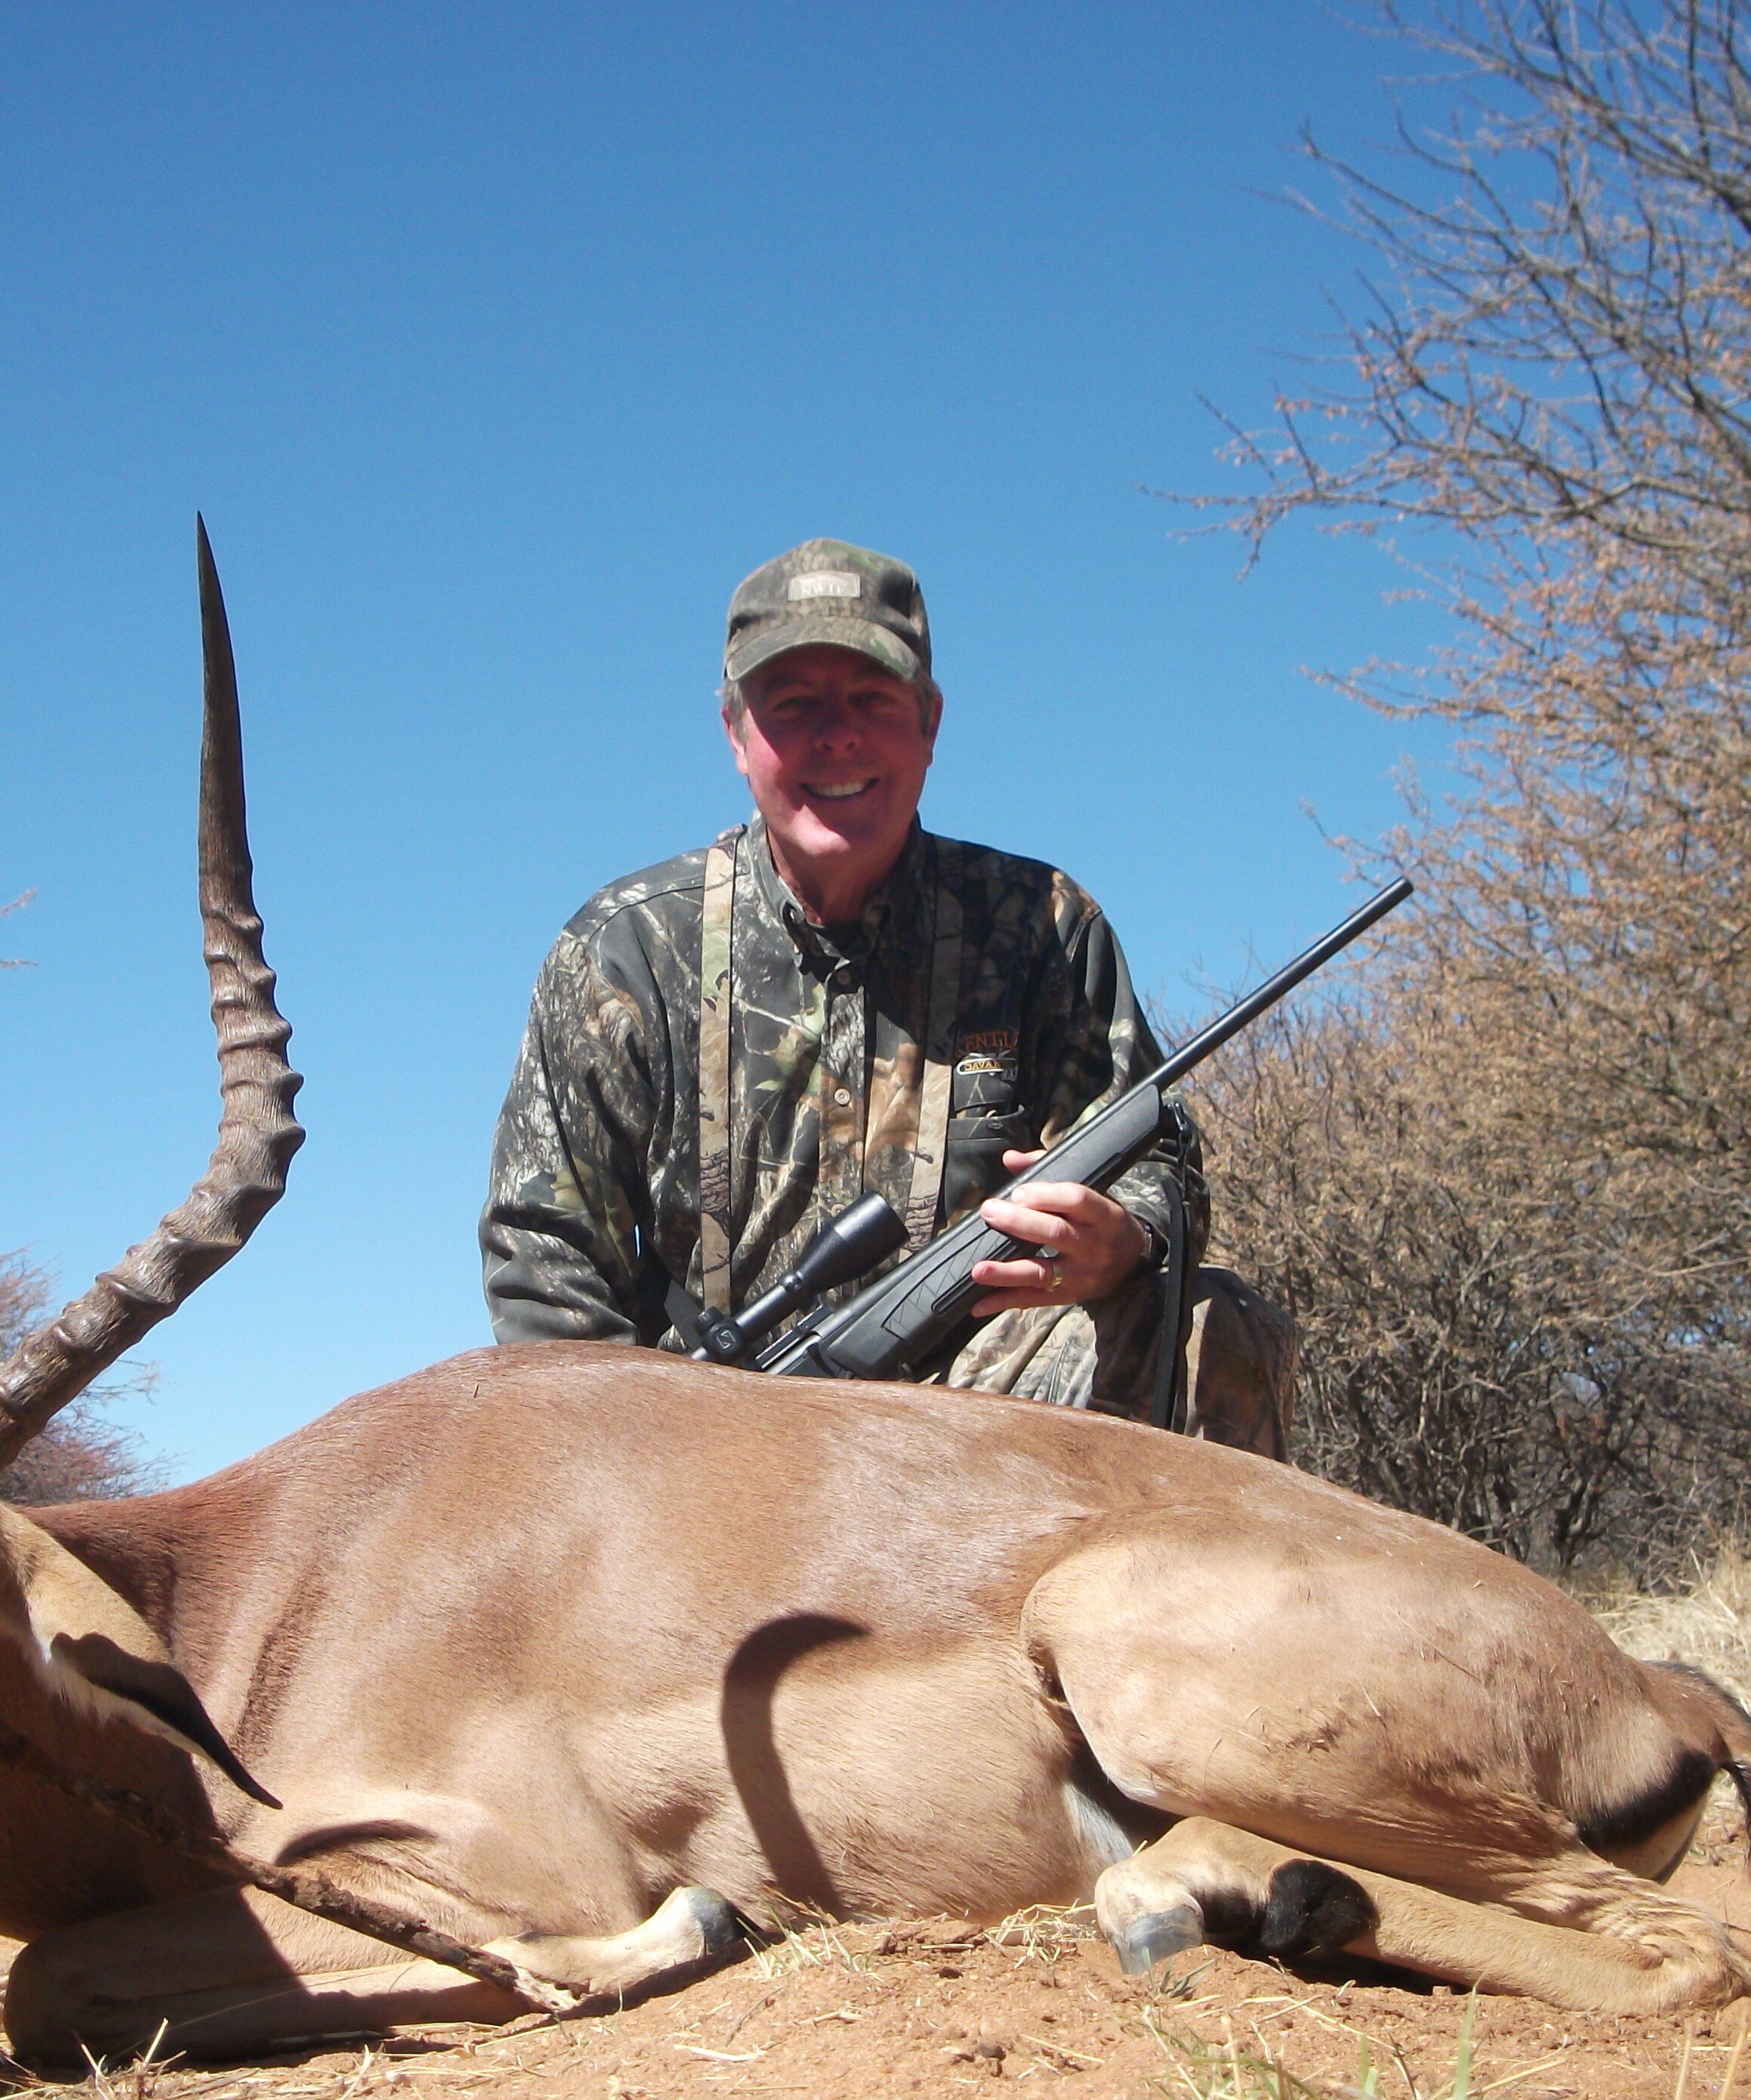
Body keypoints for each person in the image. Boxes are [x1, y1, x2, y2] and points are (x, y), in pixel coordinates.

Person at [481, 538, 1292, 1442]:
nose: (837, 734)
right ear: (736, 734)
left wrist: (1128, 1239)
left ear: (931, 723)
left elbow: (1155, 1162)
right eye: (793, 705)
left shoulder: (1044, 926)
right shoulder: (621, 950)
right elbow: (541, 1258)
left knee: (1211, 1327)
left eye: (872, 698)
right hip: (702, 1451)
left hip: (975, 1418)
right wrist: (632, 1466)